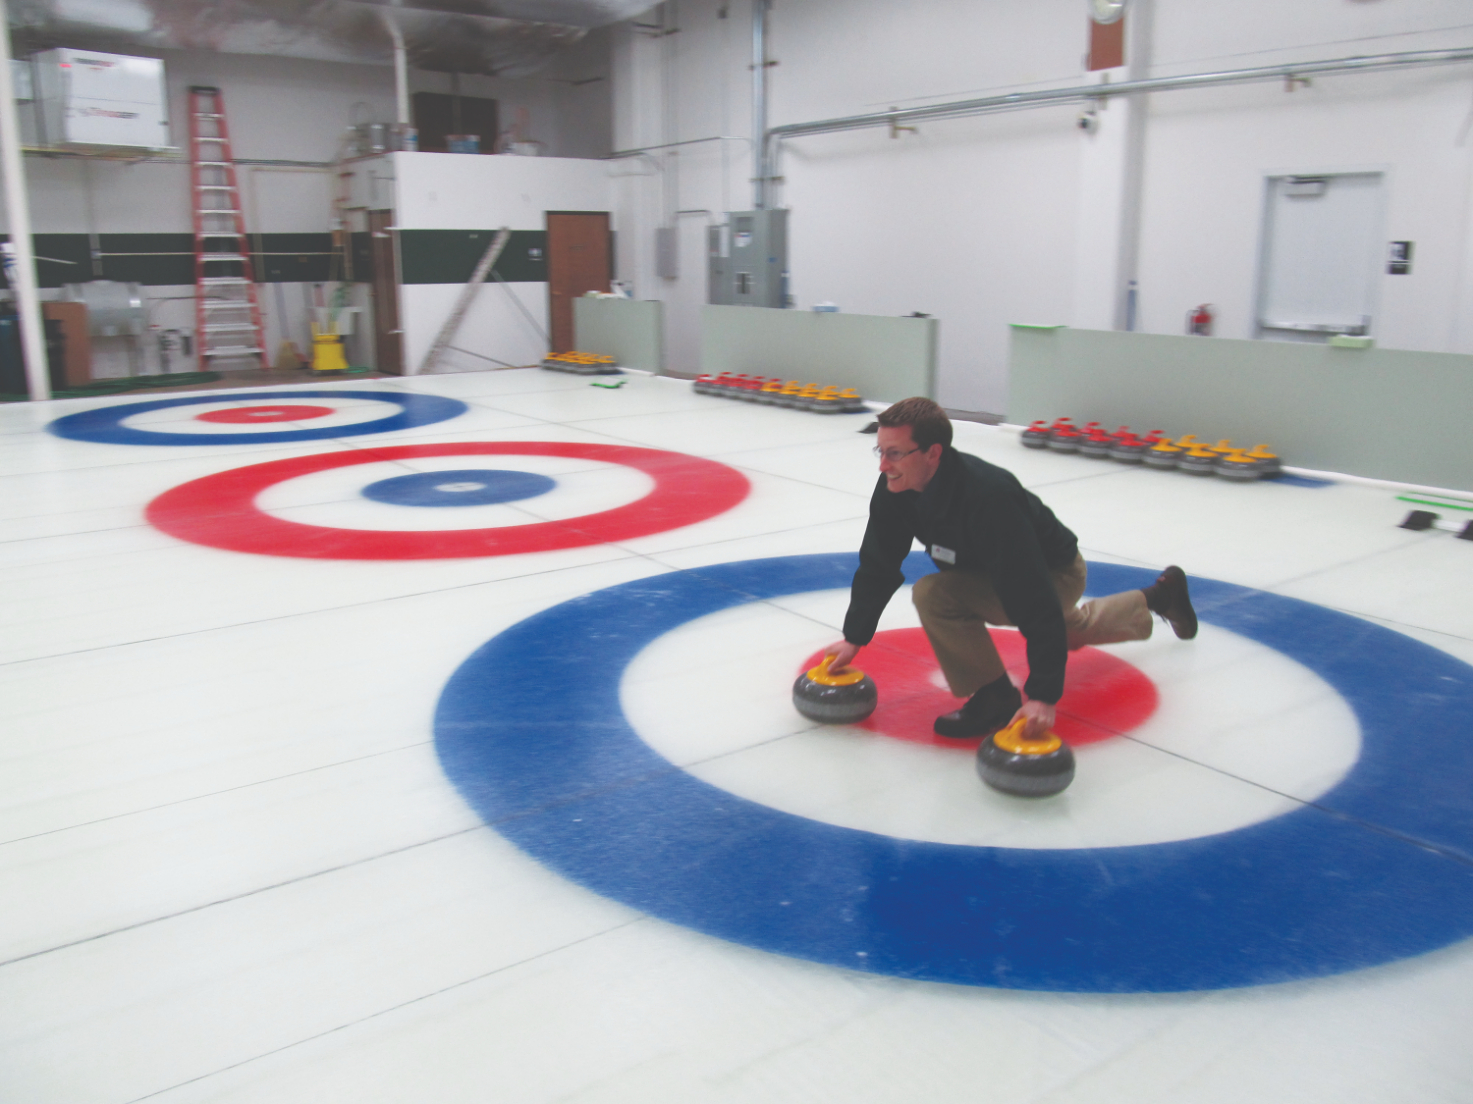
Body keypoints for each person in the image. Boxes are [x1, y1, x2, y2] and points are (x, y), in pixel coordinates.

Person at [824, 397, 1197, 742]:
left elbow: (1031, 593)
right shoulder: (896, 485)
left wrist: (1042, 695)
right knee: (1065, 630)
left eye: (894, 453)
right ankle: (1162, 596)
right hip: (989, 572)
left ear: (933, 453)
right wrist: (854, 636)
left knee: (938, 596)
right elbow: (879, 562)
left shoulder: (987, 496)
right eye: (880, 451)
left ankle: (995, 700)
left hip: (1055, 571)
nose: (882, 464)